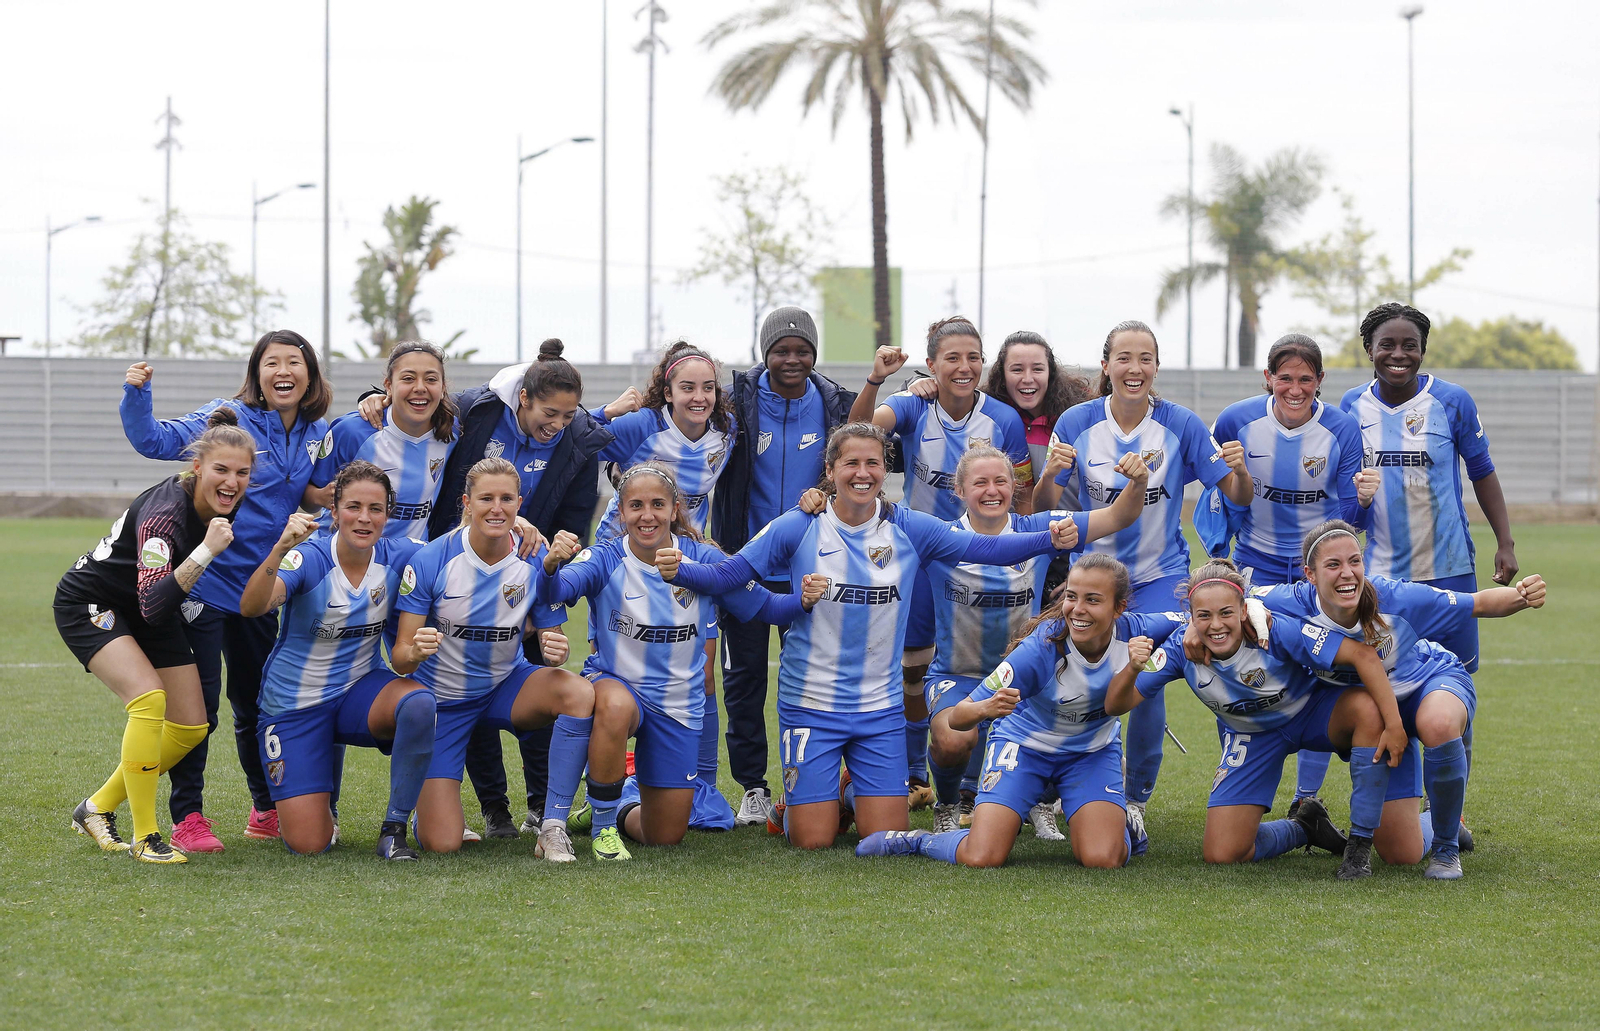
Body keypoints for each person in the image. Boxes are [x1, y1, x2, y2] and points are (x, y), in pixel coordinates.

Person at [662, 423, 1080, 850]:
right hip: (811, 702)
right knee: (813, 840)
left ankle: (847, 790)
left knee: (882, 836)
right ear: (830, 470)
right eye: (851, 463)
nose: (862, 473)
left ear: (885, 469)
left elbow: (988, 550)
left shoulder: (910, 526)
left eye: (873, 463)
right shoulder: (799, 524)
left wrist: (1048, 538)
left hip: (879, 708)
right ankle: (797, 805)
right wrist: (682, 572)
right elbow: (731, 575)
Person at [358, 339, 622, 838]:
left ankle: (546, 811)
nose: (557, 424)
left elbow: (575, 515)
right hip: (456, 574)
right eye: (549, 413)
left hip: (521, 576)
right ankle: (493, 808)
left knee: (546, 678)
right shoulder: (477, 412)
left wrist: (552, 569)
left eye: (567, 416)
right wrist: (375, 398)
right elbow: (420, 405)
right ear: (523, 398)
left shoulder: (578, 439)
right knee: (457, 675)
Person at [1031, 320, 1253, 845]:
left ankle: (1134, 801)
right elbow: (1042, 508)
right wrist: (1047, 476)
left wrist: (1241, 472)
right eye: (1124, 358)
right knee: (1067, 676)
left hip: (1159, 576)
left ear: (1156, 366)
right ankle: (1047, 794)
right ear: (1106, 366)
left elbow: (1238, 496)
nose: (1135, 369)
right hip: (1092, 577)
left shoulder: (1181, 424)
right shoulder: (1077, 421)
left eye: (1145, 359)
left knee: (1146, 680)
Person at [535, 464, 822, 860]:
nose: (647, 515)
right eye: (636, 505)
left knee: (665, 835)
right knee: (614, 705)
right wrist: (550, 566)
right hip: (618, 685)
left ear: (674, 510)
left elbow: (765, 606)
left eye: (657, 504)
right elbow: (557, 590)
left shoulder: (703, 559)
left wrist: (802, 602)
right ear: (621, 512)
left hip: (677, 705)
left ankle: (620, 806)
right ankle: (603, 828)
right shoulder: (604, 557)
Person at [120, 330, 336, 852]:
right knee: (198, 711)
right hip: (205, 585)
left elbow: (311, 491)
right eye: (272, 362)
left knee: (255, 704)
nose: (283, 371)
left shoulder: (317, 430)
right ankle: (188, 817)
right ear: (257, 373)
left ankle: (265, 809)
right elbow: (154, 441)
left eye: (294, 362)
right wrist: (137, 394)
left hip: (260, 591)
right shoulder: (230, 417)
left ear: (309, 374)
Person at [1321, 302, 1519, 834]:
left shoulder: (1452, 401)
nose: (1398, 354)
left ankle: (1448, 813)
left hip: (1449, 568)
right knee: (1389, 687)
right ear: (1369, 350)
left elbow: (1482, 472)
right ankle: (1401, 812)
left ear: (1423, 350)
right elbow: (1347, 497)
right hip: (1383, 580)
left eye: (1409, 345)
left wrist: (1505, 542)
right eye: (1387, 344)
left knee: (1453, 688)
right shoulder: (1350, 407)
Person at [1253, 519, 1546, 879]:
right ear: (1309, 574)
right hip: (1381, 713)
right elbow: (1229, 594)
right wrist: (1245, 610)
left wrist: (1522, 596)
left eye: (1355, 561)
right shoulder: (1289, 602)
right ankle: (1442, 822)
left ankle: (1446, 850)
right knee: (1400, 853)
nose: (1347, 574)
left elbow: (1478, 603)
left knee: (1437, 723)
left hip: (1430, 680)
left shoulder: (1395, 597)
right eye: (1333, 564)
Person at [854, 555, 1181, 869]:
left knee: (1103, 858)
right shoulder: (1040, 650)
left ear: (1119, 608)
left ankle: (1123, 826)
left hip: (1090, 753)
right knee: (982, 856)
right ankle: (917, 840)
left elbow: (1193, 621)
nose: (1078, 609)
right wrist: (987, 707)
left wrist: (1194, 638)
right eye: (1071, 596)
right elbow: (958, 717)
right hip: (1025, 749)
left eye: (1093, 600)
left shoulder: (1137, 631)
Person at [906, 445, 1151, 838]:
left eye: (1000, 481)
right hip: (958, 674)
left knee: (1068, 720)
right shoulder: (940, 537)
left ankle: (1040, 799)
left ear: (1013, 486)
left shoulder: (1039, 526)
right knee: (952, 739)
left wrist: (1138, 481)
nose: (992, 491)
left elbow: (1118, 516)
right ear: (959, 490)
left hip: (1030, 677)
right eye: (980, 483)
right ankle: (948, 805)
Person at [1109, 559, 1409, 879]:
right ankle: (1305, 827)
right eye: (1204, 616)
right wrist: (1132, 669)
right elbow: (1116, 705)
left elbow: (1362, 655)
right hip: (1251, 736)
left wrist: (1394, 725)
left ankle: (1359, 845)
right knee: (1223, 852)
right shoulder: (1181, 648)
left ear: (1244, 609)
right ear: (1190, 617)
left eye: (1226, 613)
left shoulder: (1274, 630)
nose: (1216, 625)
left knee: (1367, 710)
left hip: (1312, 713)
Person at [848, 317, 1034, 809]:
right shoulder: (913, 405)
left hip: (983, 562)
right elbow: (858, 433)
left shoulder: (1003, 420)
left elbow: (1022, 494)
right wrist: (877, 380)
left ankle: (975, 784)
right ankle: (914, 774)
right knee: (912, 669)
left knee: (990, 669)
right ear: (931, 364)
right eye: (952, 358)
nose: (963, 367)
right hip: (921, 561)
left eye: (973, 357)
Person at [60, 409, 255, 863]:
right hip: (93, 603)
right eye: (221, 470)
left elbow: (155, 604)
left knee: (191, 725)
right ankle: (146, 838)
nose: (232, 482)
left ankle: (96, 807)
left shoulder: (225, 501)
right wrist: (206, 551)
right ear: (197, 467)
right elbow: (152, 602)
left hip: (151, 608)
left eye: (242, 473)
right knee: (148, 699)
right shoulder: (164, 515)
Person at [390, 457, 596, 860]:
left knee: (577, 692)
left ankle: (552, 826)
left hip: (505, 687)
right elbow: (400, 659)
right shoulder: (432, 559)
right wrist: (414, 651)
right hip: (445, 702)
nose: (496, 508)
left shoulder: (534, 557)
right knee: (442, 843)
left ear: (520, 503)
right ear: (467, 502)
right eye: (486, 498)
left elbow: (553, 638)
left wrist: (557, 648)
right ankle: (426, 814)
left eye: (506, 499)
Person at [237, 462, 437, 860]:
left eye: (375, 508)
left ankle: (395, 829)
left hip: (358, 692)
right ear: (334, 511)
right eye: (353, 507)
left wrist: (516, 527)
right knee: (309, 844)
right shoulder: (309, 558)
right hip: (294, 704)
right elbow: (252, 606)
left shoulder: (401, 555)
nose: (364, 518)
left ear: (388, 514)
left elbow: (461, 546)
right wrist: (279, 549)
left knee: (418, 703)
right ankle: (321, 788)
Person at [710, 306, 856, 828]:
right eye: (781, 350)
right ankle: (753, 787)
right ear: (765, 353)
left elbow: (875, 450)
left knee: (817, 681)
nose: (791, 359)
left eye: (802, 350)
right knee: (744, 681)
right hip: (746, 567)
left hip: (812, 570)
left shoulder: (836, 403)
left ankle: (822, 783)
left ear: (815, 354)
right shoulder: (736, 402)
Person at [1208, 334, 1367, 805]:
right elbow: (1217, 495)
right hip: (1255, 563)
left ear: (1320, 380)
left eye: (1305, 379)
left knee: (1321, 671)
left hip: (1316, 572)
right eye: (1285, 378)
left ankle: (1306, 798)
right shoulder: (1236, 420)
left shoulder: (1342, 429)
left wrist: (1363, 501)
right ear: (1268, 378)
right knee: (1239, 666)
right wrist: (1218, 553)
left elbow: (1349, 520)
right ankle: (1237, 777)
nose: (1295, 390)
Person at [327, 341, 457, 541]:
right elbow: (310, 495)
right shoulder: (352, 431)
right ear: (388, 385)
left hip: (410, 557)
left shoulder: (452, 432)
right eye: (408, 378)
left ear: (443, 388)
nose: (420, 387)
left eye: (431, 379)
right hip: (342, 555)